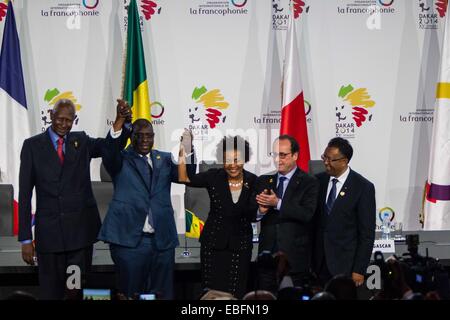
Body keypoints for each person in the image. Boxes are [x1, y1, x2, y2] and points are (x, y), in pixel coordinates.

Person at [18, 98, 130, 299]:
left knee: (74, 292)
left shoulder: (81, 141)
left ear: (74, 120)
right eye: (59, 119)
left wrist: (119, 121)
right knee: (50, 295)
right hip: (49, 240)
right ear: (51, 116)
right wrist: (26, 239)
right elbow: (25, 195)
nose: (63, 124)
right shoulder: (32, 146)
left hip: (78, 241)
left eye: (68, 120)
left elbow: (108, 147)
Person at [98, 119, 195, 299]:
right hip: (129, 243)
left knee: (162, 295)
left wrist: (187, 151)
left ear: (153, 137)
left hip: (162, 242)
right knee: (130, 295)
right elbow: (109, 151)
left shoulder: (165, 159)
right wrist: (119, 124)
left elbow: (187, 176)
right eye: (139, 136)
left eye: (148, 136)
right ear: (131, 137)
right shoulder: (120, 159)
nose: (144, 140)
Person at [178, 135, 257, 298]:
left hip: (240, 247)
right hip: (213, 245)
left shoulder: (254, 181)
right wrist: (186, 151)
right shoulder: (213, 176)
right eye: (228, 160)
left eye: (237, 159)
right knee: (212, 296)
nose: (232, 165)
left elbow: (254, 213)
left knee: (235, 295)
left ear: (245, 159)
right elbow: (184, 178)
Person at [255, 135, 319, 290]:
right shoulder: (264, 180)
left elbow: (307, 214)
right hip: (267, 258)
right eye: (275, 155)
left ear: (295, 155)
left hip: (295, 259)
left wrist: (278, 203)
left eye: (283, 155)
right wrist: (260, 212)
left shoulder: (309, 182)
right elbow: (252, 213)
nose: (278, 159)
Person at [313, 137, 376, 288]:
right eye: (324, 157)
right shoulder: (317, 181)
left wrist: (359, 269)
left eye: (331, 159)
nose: (326, 162)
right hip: (317, 265)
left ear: (344, 161)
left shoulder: (362, 187)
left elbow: (367, 233)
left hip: (345, 266)